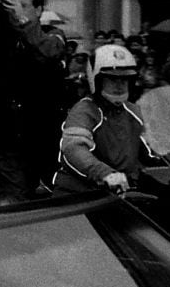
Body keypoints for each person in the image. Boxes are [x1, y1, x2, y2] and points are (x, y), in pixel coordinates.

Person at [0, 0, 67, 199]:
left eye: (24, 6)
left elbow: (47, 51)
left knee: (56, 197)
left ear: (39, 10)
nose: (16, 10)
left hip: (44, 135)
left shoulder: (54, 35)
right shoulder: (1, 39)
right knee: (14, 198)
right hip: (8, 135)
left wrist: (23, 22)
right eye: (12, 6)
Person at [54, 44, 158, 195]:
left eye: (125, 79)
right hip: (80, 193)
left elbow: (151, 148)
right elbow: (74, 148)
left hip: (120, 192)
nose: (119, 85)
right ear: (97, 80)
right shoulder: (85, 110)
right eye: (112, 79)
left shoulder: (134, 112)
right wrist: (104, 173)